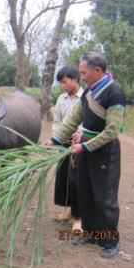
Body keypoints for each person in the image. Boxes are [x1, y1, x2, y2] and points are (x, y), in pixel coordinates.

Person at [46, 52, 126, 258]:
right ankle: (90, 233)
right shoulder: (87, 93)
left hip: (104, 152)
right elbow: (72, 121)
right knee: (85, 192)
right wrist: (54, 139)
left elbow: (112, 131)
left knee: (104, 197)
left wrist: (85, 146)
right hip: (85, 150)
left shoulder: (114, 94)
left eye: (83, 72)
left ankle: (109, 241)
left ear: (97, 71)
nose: (81, 76)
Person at [52, 66, 83, 232]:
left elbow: (90, 122)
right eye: (61, 83)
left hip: (79, 144)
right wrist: (56, 137)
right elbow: (57, 121)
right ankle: (69, 213)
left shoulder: (85, 97)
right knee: (63, 178)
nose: (63, 86)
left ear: (75, 79)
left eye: (65, 82)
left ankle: (78, 218)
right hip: (64, 142)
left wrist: (81, 135)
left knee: (76, 180)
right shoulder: (61, 99)